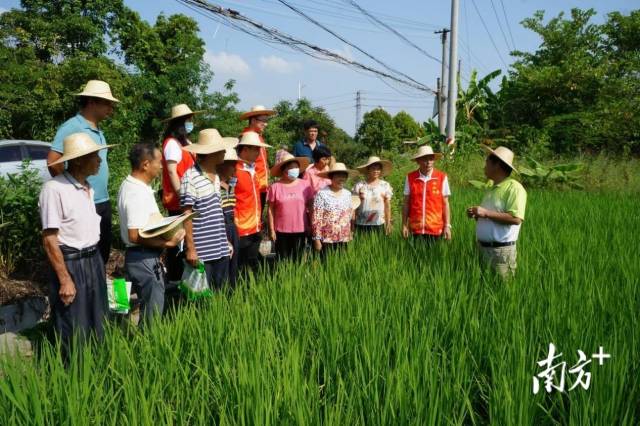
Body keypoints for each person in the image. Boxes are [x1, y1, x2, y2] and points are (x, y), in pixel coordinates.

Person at [40, 133, 114, 355]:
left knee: (99, 321)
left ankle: (99, 370)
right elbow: (50, 239)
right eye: (95, 156)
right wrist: (64, 279)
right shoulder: (54, 189)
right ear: (79, 159)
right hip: (72, 263)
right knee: (74, 327)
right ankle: (73, 375)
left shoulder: (87, 188)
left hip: (93, 260)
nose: (100, 161)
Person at [47, 80, 119, 264]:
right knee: (85, 257)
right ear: (91, 102)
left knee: (101, 253)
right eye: (107, 103)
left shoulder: (98, 130)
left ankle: (98, 289)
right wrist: (74, 189)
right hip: (84, 203)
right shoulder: (72, 127)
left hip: (102, 200)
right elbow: (53, 161)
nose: (110, 108)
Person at [117, 143, 186, 328]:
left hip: (143, 256)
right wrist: (169, 243)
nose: (162, 166)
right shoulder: (135, 192)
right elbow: (134, 235)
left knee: (149, 307)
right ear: (146, 164)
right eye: (159, 162)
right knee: (153, 315)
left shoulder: (136, 186)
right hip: (143, 257)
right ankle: (149, 348)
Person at [180, 129, 236, 291]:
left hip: (220, 248)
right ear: (211, 152)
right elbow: (187, 215)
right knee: (202, 298)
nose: (225, 152)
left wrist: (225, 241)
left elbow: (217, 212)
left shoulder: (216, 176)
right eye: (221, 149)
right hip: (202, 251)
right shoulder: (190, 178)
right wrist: (191, 249)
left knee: (221, 293)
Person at [467, 146, 527, 279]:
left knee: (502, 292)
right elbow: (490, 217)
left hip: (500, 252)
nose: (484, 167)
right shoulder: (491, 188)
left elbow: (516, 218)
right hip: (483, 249)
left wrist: (485, 213)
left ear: (497, 165)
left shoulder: (514, 188)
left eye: (487, 163)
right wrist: (478, 215)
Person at [160, 104, 201, 284]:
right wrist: (181, 195)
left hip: (187, 200)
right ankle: (176, 281)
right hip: (178, 202)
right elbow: (171, 172)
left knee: (188, 240)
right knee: (179, 243)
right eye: (188, 120)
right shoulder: (172, 144)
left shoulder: (185, 143)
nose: (191, 123)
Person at [234, 132, 272, 274]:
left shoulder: (252, 169)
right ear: (245, 150)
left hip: (255, 226)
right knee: (241, 266)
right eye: (255, 149)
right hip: (241, 229)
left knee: (252, 263)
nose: (258, 152)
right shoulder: (234, 170)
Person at [267, 153, 313, 260]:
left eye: (296, 167)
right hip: (281, 231)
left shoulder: (305, 185)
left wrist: (311, 225)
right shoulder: (275, 187)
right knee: (282, 260)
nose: (294, 169)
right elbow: (270, 209)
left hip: (301, 229)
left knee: (298, 259)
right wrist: (271, 229)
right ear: (284, 170)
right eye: (291, 167)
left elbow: (310, 207)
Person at [402, 145, 452, 242]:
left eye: (431, 158)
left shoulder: (441, 177)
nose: (428, 162)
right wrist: (404, 225)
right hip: (415, 229)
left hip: (436, 228)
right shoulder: (410, 178)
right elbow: (406, 203)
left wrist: (447, 226)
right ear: (418, 161)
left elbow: (445, 203)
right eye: (425, 159)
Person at [311, 163, 358, 255]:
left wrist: (351, 232)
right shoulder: (322, 194)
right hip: (327, 239)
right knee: (327, 265)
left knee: (341, 264)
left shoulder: (347, 194)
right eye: (338, 176)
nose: (341, 179)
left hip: (344, 238)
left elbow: (349, 215)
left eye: (344, 176)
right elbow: (316, 218)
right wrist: (316, 239)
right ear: (331, 177)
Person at [239, 105, 276, 210]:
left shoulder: (259, 137)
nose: (265, 124)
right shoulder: (245, 138)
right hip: (251, 185)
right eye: (263, 120)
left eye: (266, 120)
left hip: (262, 185)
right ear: (253, 120)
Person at [216, 147, 242, 288]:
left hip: (232, 227)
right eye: (232, 164)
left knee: (234, 266)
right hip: (222, 227)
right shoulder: (215, 186)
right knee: (223, 266)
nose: (234, 168)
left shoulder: (231, 184)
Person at [353, 156, 394, 235]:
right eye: (373, 168)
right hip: (361, 223)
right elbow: (354, 207)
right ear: (368, 170)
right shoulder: (359, 185)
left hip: (379, 223)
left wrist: (388, 222)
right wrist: (352, 224)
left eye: (378, 169)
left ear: (381, 170)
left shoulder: (385, 185)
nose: (376, 171)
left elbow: (387, 205)